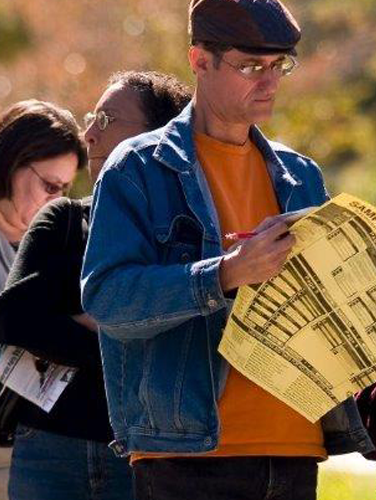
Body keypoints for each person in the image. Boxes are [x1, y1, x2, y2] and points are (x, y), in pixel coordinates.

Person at [81, 2, 374, 500]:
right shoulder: (137, 167)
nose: (269, 82)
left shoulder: (301, 175)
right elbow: (107, 299)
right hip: (188, 458)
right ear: (199, 60)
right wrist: (224, 273)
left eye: (278, 65)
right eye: (249, 66)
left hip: (297, 452)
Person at [0, 71, 191, 500]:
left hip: (146, 456)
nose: (88, 134)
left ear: (156, 136)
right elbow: (15, 320)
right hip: (47, 451)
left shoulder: (189, 234)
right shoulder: (63, 219)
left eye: (106, 120)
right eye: (92, 118)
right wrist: (133, 328)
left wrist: (81, 319)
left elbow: (193, 345)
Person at [0, 98, 86, 292]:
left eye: (64, 189)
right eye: (50, 186)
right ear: (12, 162)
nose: (57, 201)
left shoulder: (54, 249)